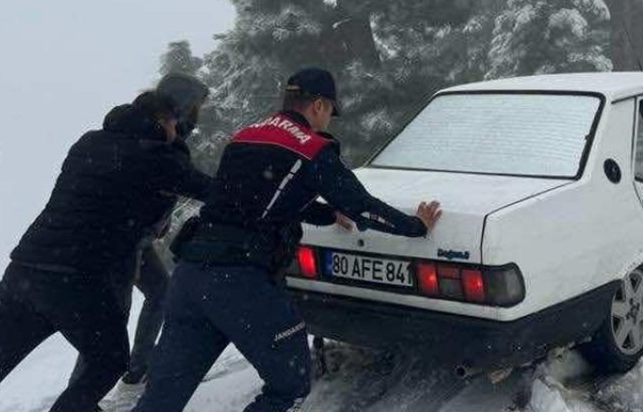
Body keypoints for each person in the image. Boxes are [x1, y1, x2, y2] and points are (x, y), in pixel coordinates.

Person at [133, 67, 441, 412]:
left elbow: (252, 200)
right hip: (239, 282)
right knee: (290, 385)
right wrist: (415, 225)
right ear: (319, 105)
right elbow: (364, 208)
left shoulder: (245, 136)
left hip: (190, 277)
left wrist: (325, 214)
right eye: (330, 113)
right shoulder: (311, 147)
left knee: (161, 400)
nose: (328, 121)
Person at [0, 87, 212, 412]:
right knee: (109, 361)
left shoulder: (89, 142)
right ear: (162, 121)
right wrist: (177, 146)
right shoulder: (155, 156)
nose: (175, 131)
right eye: (173, 124)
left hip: (25, 270)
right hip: (75, 281)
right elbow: (209, 189)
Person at [67, 74, 211, 387]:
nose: (200, 112)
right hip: (118, 242)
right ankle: (80, 394)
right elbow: (182, 179)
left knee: (161, 291)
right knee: (111, 320)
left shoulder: (167, 135)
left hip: (139, 239)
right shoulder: (153, 139)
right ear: (183, 105)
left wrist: (161, 219)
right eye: (197, 105)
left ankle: (138, 365)